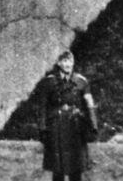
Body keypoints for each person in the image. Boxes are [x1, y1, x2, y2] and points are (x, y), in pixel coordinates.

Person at [36, 50, 97, 181]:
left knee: (77, 167)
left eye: (70, 61)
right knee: (58, 168)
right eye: (64, 61)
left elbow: (89, 105)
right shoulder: (49, 82)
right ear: (59, 63)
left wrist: (93, 125)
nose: (67, 64)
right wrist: (42, 128)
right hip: (56, 128)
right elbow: (42, 107)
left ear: (73, 63)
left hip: (75, 128)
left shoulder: (81, 82)